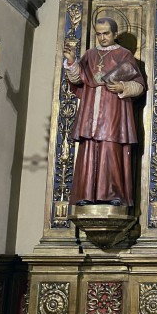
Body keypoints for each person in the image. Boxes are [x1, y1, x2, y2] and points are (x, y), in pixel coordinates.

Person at [63, 17, 145, 207]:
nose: (102, 37)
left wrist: (123, 86)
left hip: (113, 111)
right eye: (98, 34)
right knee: (89, 149)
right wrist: (71, 62)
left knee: (111, 149)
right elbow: (78, 80)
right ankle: (86, 193)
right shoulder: (90, 55)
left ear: (115, 34)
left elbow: (139, 85)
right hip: (90, 110)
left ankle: (113, 194)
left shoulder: (124, 55)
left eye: (106, 33)